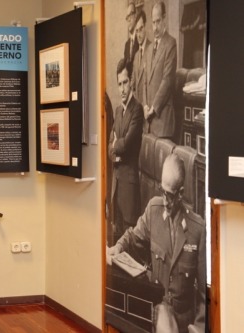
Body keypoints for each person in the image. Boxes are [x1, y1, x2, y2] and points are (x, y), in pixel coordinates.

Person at [107, 153, 206, 333]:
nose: (165, 201)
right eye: (162, 191)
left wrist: (197, 328)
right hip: (154, 312)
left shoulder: (197, 229)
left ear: (181, 193)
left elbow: (203, 294)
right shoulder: (153, 210)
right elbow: (132, 236)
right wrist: (118, 247)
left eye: (170, 195)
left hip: (183, 324)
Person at [108, 58, 143, 240]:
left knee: (129, 243)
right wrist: (116, 153)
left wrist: (116, 144)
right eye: (119, 84)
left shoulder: (137, 110)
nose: (122, 89)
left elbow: (127, 143)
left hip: (129, 188)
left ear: (132, 81)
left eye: (125, 83)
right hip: (117, 186)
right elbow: (109, 148)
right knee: (116, 242)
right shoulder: (117, 111)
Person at [143, 1, 177, 139]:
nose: (155, 27)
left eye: (158, 21)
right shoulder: (149, 48)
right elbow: (145, 81)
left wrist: (153, 108)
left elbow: (167, 81)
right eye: (153, 22)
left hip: (163, 122)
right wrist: (145, 106)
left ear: (164, 19)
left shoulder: (171, 44)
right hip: (149, 124)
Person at [131, 9, 151, 134]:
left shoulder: (152, 50)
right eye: (136, 31)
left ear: (146, 27)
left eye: (141, 29)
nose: (139, 34)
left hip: (148, 114)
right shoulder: (136, 55)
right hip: (138, 114)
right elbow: (133, 83)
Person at [124, 2, 139, 69]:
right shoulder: (127, 45)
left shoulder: (140, 38)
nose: (129, 20)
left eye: (130, 15)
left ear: (135, 16)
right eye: (127, 17)